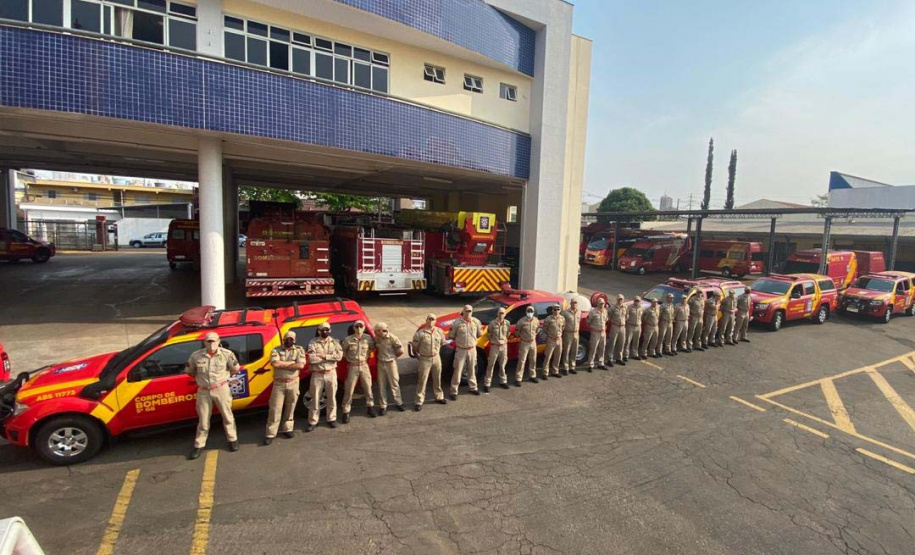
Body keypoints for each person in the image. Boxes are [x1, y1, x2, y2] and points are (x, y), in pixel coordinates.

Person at [186, 332, 240, 460]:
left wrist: (224, 378)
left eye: (213, 341)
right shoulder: (196, 356)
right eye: (208, 341)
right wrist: (202, 381)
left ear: (219, 340)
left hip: (221, 389)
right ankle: (199, 445)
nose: (211, 344)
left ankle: (233, 439)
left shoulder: (227, 354)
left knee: (227, 417)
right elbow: (190, 371)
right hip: (204, 391)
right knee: (203, 421)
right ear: (204, 342)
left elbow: (235, 369)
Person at [264, 330, 306, 445]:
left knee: (291, 406)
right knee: (275, 408)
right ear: (283, 340)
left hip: (293, 382)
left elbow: (301, 365)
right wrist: (292, 363)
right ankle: (270, 433)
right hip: (279, 384)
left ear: (295, 340)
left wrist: (283, 364)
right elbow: (275, 364)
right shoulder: (276, 350)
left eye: (291, 339)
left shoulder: (299, 350)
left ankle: (288, 428)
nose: (289, 341)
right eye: (287, 339)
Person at [306, 322, 343, 432]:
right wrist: (330, 357)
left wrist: (323, 356)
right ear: (318, 331)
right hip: (317, 374)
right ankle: (313, 421)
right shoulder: (313, 343)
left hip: (331, 373)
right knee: (315, 399)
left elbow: (339, 356)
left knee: (331, 397)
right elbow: (312, 359)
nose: (324, 332)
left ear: (330, 330)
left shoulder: (335, 342)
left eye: (327, 329)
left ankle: (331, 419)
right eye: (322, 330)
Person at [341, 320, 376, 423]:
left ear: (364, 327)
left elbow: (372, 348)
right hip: (352, 366)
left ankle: (370, 407)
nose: (359, 329)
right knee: (349, 390)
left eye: (361, 326)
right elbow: (342, 352)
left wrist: (367, 356)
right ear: (354, 328)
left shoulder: (368, 339)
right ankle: (346, 411)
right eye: (357, 327)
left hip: (364, 365)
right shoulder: (348, 340)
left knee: (368, 388)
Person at [411, 314, 447, 410]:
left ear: (435, 321)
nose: (431, 321)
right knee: (422, 380)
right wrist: (421, 353)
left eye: (433, 319)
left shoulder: (439, 332)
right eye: (429, 319)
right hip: (425, 359)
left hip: (436, 357)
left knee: (437, 378)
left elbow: (443, 343)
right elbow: (415, 346)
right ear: (426, 320)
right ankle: (419, 401)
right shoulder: (420, 333)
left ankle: (439, 397)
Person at [449, 305, 483, 400]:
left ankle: (473, 387)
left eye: (470, 311)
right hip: (461, 350)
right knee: (458, 370)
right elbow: (451, 336)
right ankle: (453, 391)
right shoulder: (456, 323)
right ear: (463, 311)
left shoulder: (476, 322)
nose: (468, 313)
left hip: (472, 349)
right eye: (467, 311)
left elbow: (479, 334)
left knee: (472, 369)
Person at [374, 322, 405, 415]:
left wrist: (393, 357)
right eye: (378, 330)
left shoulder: (393, 338)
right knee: (381, 385)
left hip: (391, 363)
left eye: (383, 330)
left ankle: (398, 402)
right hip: (381, 363)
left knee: (394, 383)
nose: (381, 332)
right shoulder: (376, 339)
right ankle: (383, 405)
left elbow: (400, 351)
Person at [483, 307, 511, 391]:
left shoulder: (507, 323)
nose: (501, 314)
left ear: (505, 314)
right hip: (494, 346)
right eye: (500, 313)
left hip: (504, 346)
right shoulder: (492, 323)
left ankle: (503, 381)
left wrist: (503, 341)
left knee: (502, 365)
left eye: (503, 313)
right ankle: (487, 383)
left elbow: (508, 333)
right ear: (497, 313)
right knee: (491, 365)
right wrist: (494, 341)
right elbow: (489, 335)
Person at [514, 306, 540, 384]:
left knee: (533, 360)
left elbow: (537, 330)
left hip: (533, 342)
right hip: (524, 343)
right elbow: (516, 332)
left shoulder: (536, 320)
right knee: (522, 361)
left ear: (533, 312)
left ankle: (532, 376)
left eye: (531, 311)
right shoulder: (521, 321)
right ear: (526, 312)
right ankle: (518, 378)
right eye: (528, 311)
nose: (530, 312)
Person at [541, 304, 565, 379]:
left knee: (558, 356)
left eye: (558, 309)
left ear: (560, 310)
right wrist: (550, 335)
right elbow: (544, 329)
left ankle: (555, 371)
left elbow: (563, 327)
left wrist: (558, 335)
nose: (556, 311)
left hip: (559, 340)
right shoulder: (548, 319)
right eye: (555, 309)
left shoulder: (562, 318)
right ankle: (545, 372)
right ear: (552, 310)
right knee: (548, 356)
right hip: (551, 339)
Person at [586, 297, 608, 371]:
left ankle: (601, 363)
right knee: (593, 348)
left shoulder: (605, 311)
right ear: (597, 304)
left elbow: (606, 320)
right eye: (600, 303)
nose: (602, 305)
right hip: (595, 332)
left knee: (602, 348)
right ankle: (590, 364)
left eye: (603, 304)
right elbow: (588, 321)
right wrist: (593, 328)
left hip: (603, 332)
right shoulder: (593, 312)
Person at [560, 298, 582, 375]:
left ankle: (572, 366)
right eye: (573, 303)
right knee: (567, 350)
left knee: (574, 350)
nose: (575, 304)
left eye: (576, 303)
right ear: (571, 303)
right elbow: (561, 323)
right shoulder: (565, 313)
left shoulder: (579, 312)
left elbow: (579, 321)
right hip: (568, 333)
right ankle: (565, 367)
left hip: (576, 333)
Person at [607, 294, 627, 366]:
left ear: (623, 300)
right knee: (612, 343)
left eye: (621, 299)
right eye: (619, 299)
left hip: (622, 327)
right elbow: (608, 316)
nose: (620, 300)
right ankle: (610, 359)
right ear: (617, 299)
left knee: (621, 343)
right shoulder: (612, 308)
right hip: (615, 326)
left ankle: (619, 358)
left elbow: (627, 316)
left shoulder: (625, 307)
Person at [625, 296, 643, 361]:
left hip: (638, 326)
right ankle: (626, 355)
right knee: (628, 341)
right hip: (630, 326)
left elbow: (643, 316)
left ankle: (635, 354)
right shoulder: (629, 307)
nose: (636, 302)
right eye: (635, 300)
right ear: (634, 300)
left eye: (638, 301)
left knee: (636, 341)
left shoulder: (641, 308)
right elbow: (626, 316)